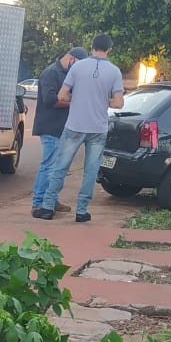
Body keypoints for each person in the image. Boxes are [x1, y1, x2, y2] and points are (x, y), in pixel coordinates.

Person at [33, 34, 125, 223]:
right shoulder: (115, 72)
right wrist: (101, 100)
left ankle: (48, 207)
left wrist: (79, 98)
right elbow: (118, 103)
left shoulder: (77, 67)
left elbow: (62, 96)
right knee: (91, 170)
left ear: (91, 47)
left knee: (60, 167)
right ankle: (81, 211)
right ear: (109, 49)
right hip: (98, 128)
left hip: (74, 125)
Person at [30, 46, 87, 215]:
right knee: (48, 166)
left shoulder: (68, 74)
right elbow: (50, 100)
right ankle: (38, 202)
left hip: (63, 128)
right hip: (50, 127)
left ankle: (52, 200)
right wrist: (72, 101)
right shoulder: (50, 73)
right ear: (71, 58)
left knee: (57, 167)